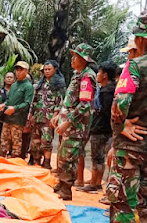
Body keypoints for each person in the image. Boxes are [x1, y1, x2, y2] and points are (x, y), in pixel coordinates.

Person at [107, 11, 147, 223]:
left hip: (131, 149)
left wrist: (120, 126)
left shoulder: (136, 65)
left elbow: (120, 104)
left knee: (123, 204)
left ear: (143, 38)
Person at [51, 43, 97, 200]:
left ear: (84, 59)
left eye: (75, 56)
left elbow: (84, 105)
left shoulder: (87, 77)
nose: (72, 59)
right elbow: (69, 100)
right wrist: (60, 115)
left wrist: (68, 122)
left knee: (70, 156)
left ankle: (66, 189)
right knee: (63, 155)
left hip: (76, 126)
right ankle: (62, 183)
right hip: (69, 123)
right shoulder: (77, 75)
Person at [78, 61, 116, 193]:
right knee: (99, 157)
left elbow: (107, 112)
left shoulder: (107, 92)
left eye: (99, 72)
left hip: (101, 128)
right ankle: (97, 181)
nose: (97, 75)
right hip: (102, 127)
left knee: (97, 157)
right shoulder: (107, 89)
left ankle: (95, 183)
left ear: (105, 75)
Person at [29, 60, 66, 168]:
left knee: (46, 142)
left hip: (49, 118)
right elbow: (34, 100)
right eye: (45, 69)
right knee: (35, 141)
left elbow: (60, 102)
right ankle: (36, 162)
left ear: (55, 70)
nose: (47, 71)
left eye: (49, 69)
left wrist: (54, 116)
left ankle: (46, 163)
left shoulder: (59, 85)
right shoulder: (41, 84)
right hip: (37, 116)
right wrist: (31, 114)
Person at [0, 61, 33, 158]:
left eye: (21, 70)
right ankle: (1, 159)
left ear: (26, 71)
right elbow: (9, 100)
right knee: (3, 140)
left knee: (16, 143)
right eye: (17, 70)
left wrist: (15, 109)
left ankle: (15, 161)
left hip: (18, 119)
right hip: (8, 117)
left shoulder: (28, 86)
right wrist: (3, 105)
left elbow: (27, 104)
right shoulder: (14, 85)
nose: (18, 72)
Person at [0, 72, 16, 154]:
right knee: (1, 133)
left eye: (11, 77)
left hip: (13, 115)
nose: (9, 79)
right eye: (8, 77)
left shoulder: (16, 91)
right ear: (5, 79)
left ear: (14, 79)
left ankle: (10, 151)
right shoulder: (0, 91)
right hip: (2, 115)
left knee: (12, 134)